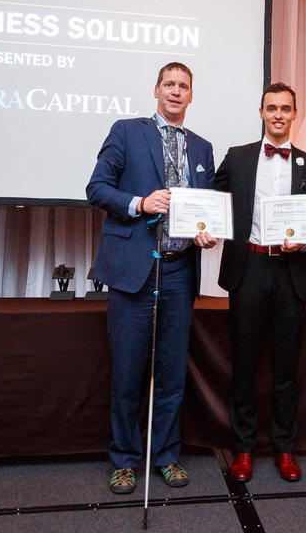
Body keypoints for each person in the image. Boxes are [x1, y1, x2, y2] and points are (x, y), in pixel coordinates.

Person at [86, 62, 218, 495]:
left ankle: (165, 456)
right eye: (169, 85)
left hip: (179, 271)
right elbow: (97, 188)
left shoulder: (202, 148)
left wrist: (205, 232)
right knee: (127, 372)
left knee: (171, 372)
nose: (176, 92)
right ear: (156, 90)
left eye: (184, 86)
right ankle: (124, 460)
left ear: (191, 95)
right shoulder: (127, 131)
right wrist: (140, 202)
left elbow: (207, 206)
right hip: (134, 271)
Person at [215, 82, 306, 483]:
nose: (279, 114)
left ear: (295, 114)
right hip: (250, 269)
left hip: (291, 273)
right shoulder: (238, 157)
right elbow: (214, 201)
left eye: (286, 108)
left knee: (286, 368)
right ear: (261, 112)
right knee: (243, 365)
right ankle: (243, 449)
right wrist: (204, 225)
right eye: (271, 108)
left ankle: (284, 448)